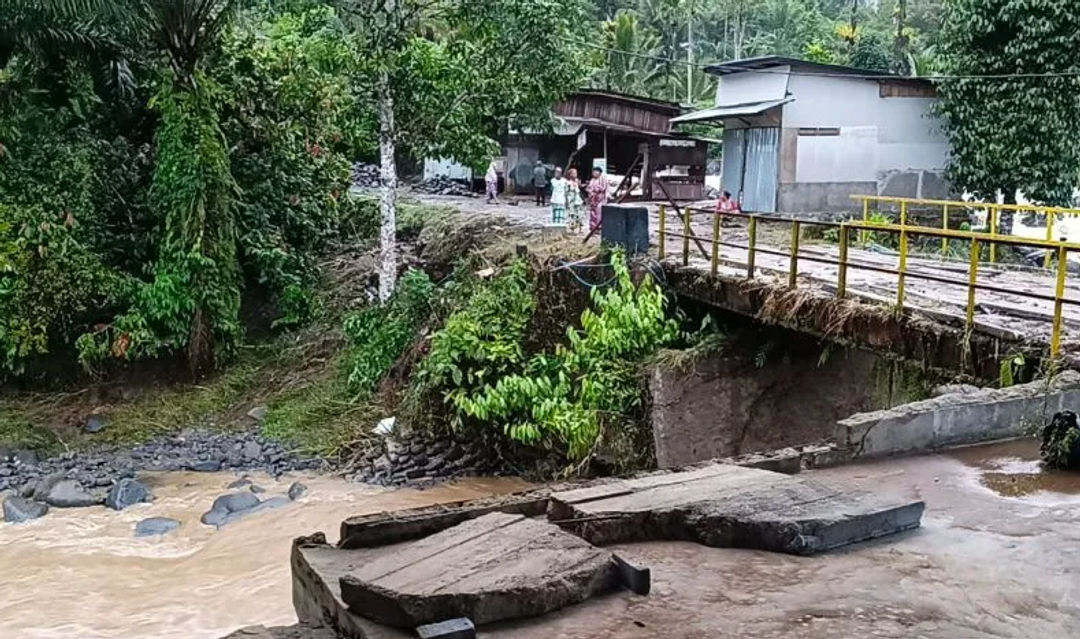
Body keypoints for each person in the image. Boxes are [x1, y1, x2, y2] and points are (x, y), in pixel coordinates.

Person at [586, 167, 608, 232]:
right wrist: (589, 190)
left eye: (596, 171)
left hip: (600, 199)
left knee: (599, 213)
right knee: (592, 213)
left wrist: (597, 189)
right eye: (593, 171)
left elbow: (603, 188)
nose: (594, 173)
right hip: (593, 199)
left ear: (600, 173)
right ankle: (593, 227)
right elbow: (589, 188)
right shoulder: (592, 180)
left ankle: (599, 227)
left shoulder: (603, 179)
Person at [565, 168, 585, 233]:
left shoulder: (577, 181)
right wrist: (566, 202)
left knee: (580, 214)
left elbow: (579, 189)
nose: (575, 175)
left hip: (578, 200)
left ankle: (580, 228)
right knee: (572, 215)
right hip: (571, 200)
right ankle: (572, 228)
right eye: (573, 173)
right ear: (570, 174)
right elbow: (566, 193)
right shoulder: (567, 183)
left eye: (576, 173)